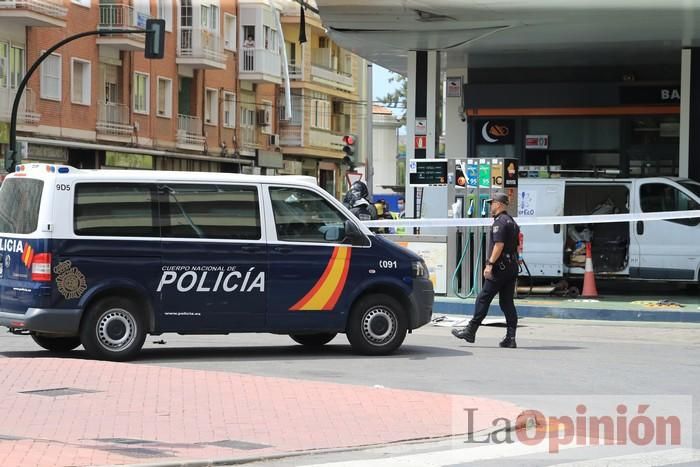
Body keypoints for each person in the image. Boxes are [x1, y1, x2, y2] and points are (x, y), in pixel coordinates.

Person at [452, 192, 520, 348]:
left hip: (500, 268)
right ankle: (511, 338)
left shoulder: (499, 223)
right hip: (511, 266)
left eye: (493, 203)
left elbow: (499, 245)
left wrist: (489, 264)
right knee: (507, 302)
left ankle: (471, 331)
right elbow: (516, 245)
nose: (491, 205)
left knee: (483, 298)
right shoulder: (512, 222)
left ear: (500, 204)